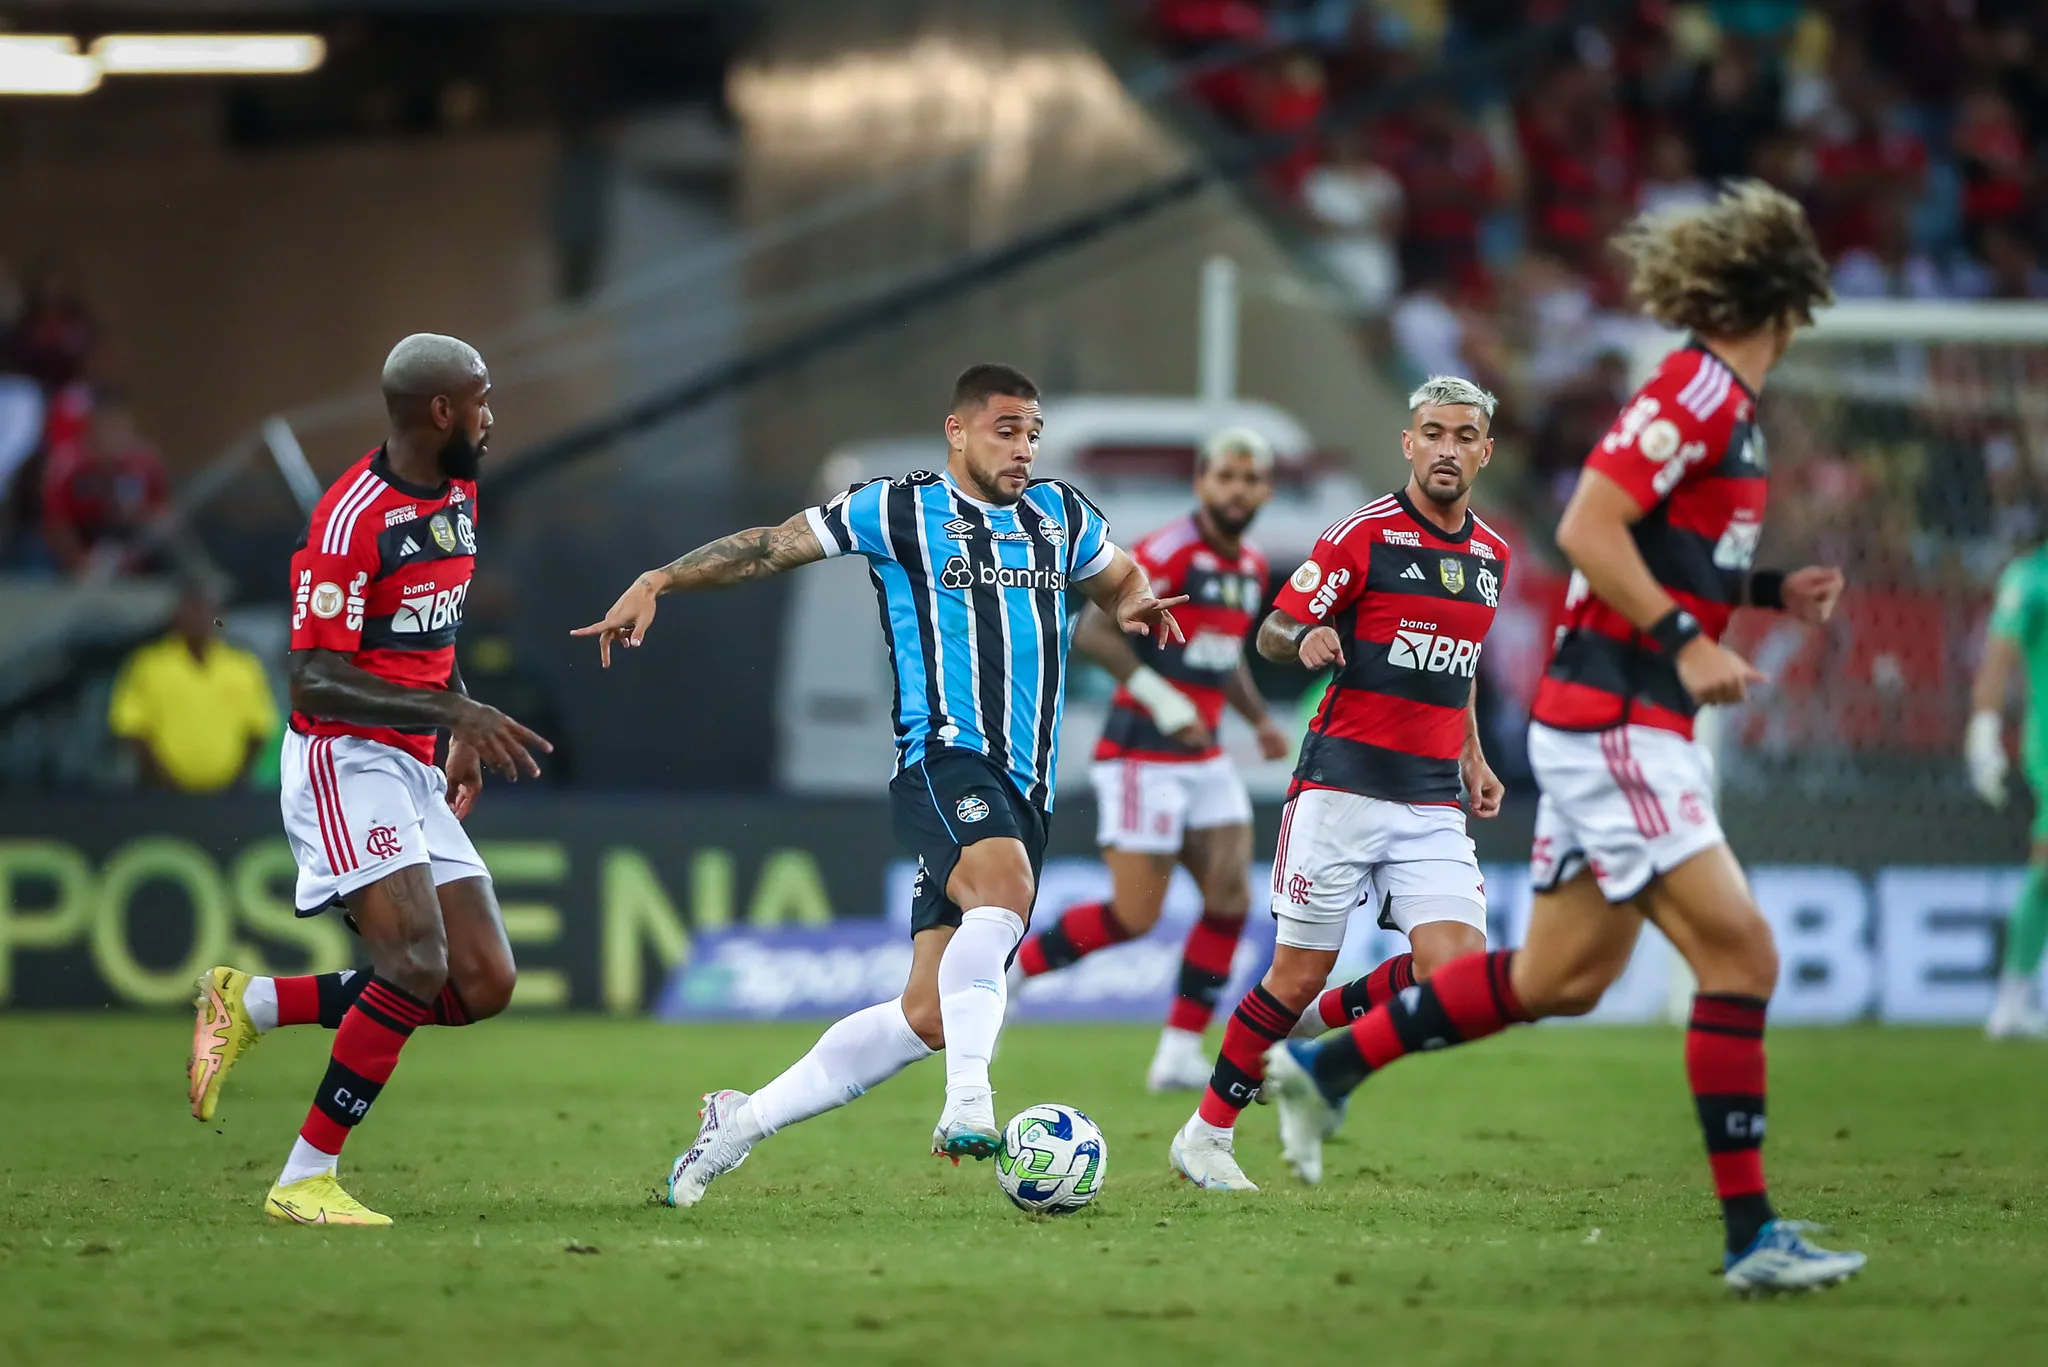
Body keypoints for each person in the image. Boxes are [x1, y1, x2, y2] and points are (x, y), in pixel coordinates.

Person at [1265, 182, 1867, 1295]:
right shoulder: (1694, 388)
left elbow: (1662, 546)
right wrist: (1687, 641)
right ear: (1789, 294)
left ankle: (1325, 1064)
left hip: (1621, 718)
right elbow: (1589, 522)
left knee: (1560, 976)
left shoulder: (1717, 399)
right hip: (1619, 717)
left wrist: (1771, 587)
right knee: (1741, 958)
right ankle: (1750, 1238)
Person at [573, 364, 1184, 1207]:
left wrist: (1137, 602)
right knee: (1001, 891)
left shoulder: (1062, 515)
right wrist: (661, 579)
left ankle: (736, 1125)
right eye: (1006, 429)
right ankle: (970, 1100)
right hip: (941, 759)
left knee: (927, 1015)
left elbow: (1116, 577)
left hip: (1029, 783)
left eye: (1033, 431)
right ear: (958, 430)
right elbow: (769, 545)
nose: (1024, 448)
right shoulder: (896, 507)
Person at [186, 334, 553, 1226]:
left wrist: (454, 716)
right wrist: (456, 717)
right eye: (482, 399)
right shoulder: (349, 522)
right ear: (441, 411)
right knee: (417, 961)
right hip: (343, 759)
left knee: (481, 979)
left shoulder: (458, 492)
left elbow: (428, 627)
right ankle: (303, 1177)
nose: (491, 417)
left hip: (412, 756)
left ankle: (255, 1002)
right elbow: (311, 674)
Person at [1168, 376, 1511, 1192]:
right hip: (1340, 788)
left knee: (1458, 974)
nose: (1447, 449)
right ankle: (1205, 1136)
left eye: (1464, 436)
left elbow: (1455, 671)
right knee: (1293, 978)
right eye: (1433, 432)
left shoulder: (1492, 557)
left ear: (1484, 452)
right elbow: (1274, 627)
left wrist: (1473, 755)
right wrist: (1309, 637)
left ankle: (1305, 1048)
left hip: (1431, 796)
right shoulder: (1363, 537)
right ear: (1408, 441)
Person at [1014, 426, 1289, 1091]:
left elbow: (1222, 657)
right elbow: (1094, 630)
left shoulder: (1249, 564)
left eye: (1250, 479)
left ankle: (1176, 1054)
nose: (1237, 489)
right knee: (1134, 916)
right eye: (1225, 476)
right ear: (1202, 482)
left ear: (1265, 490)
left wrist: (1257, 720)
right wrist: (1164, 702)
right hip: (1141, 755)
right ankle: (1010, 974)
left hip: (1207, 759)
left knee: (1229, 900)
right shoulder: (1169, 551)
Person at [1964, 541, 2048, 1039]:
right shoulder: (2031, 577)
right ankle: (2012, 998)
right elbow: (1999, 657)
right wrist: (1984, 728)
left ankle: (2013, 999)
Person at [108, 580, 277, 792]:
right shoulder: (148, 665)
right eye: (192, 609)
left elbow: (259, 730)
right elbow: (131, 728)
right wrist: (159, 779)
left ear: (218, 616)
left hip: (228, 796)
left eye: (206, 609)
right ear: (176, 615)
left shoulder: (243, 666)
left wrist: (237, 779)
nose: (199, 617)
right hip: (161, 793)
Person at [41, 391, 169, 575]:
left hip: (131, 541)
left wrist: (137, 546)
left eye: (118, 427)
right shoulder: (66, 462)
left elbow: (163, 512)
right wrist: (78, 559)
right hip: (82, 537)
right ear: (91, 428)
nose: (112, 436)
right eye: (105, 427)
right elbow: (55, 522)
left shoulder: (146, 460)